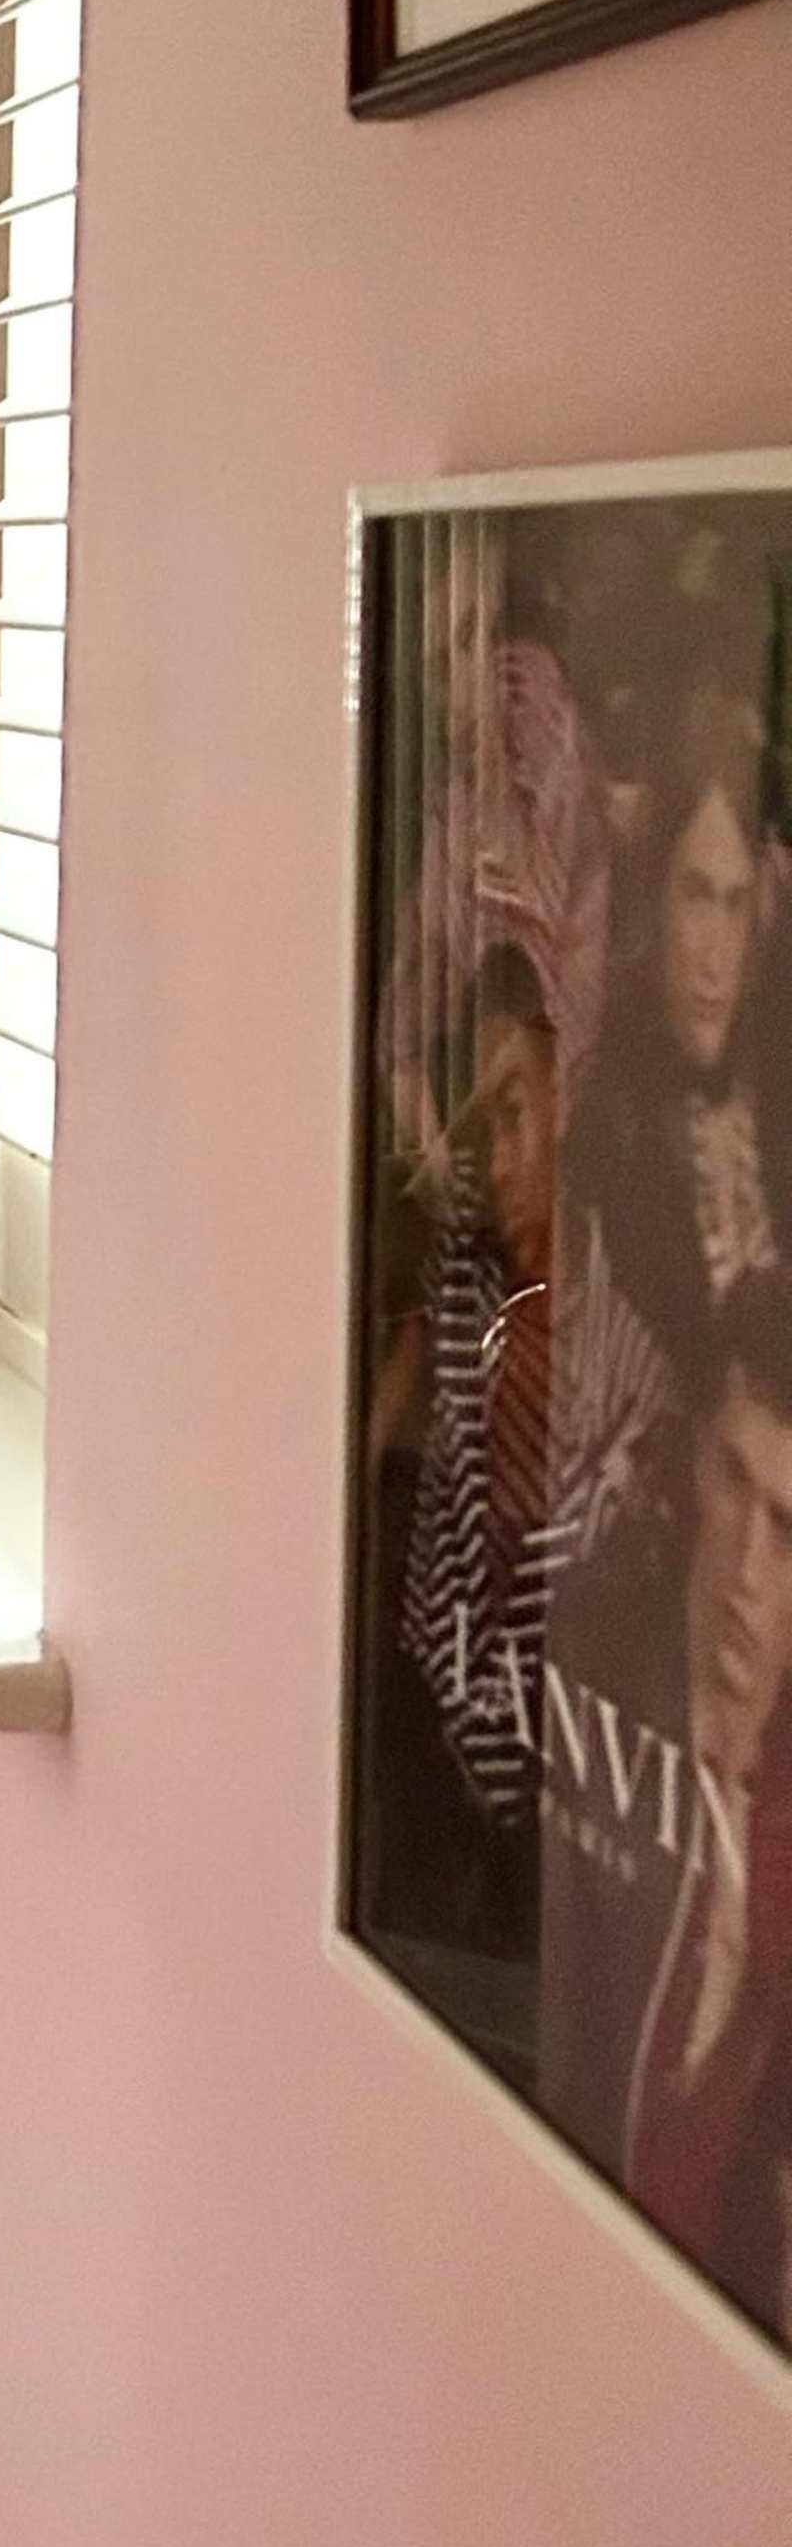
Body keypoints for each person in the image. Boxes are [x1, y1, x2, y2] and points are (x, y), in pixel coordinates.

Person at [541, 1273, 792, 2335]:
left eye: (790, 1528)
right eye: (736, 1482)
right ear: (695, 1462)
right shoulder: (581, 1685)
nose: (745, 1566)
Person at [397, 943, 676, 1840]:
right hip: (448, 1802)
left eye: (515, 1114)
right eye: (486, 1130)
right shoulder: (476, 1319)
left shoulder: (648, 1393)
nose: (502, 1164)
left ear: (581, 1102)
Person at [566, 695, 786, 1398]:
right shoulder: (609, 1117)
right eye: (696, 898)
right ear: (656, 906)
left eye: (735, 903)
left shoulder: (777, 1082)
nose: (716, 957)